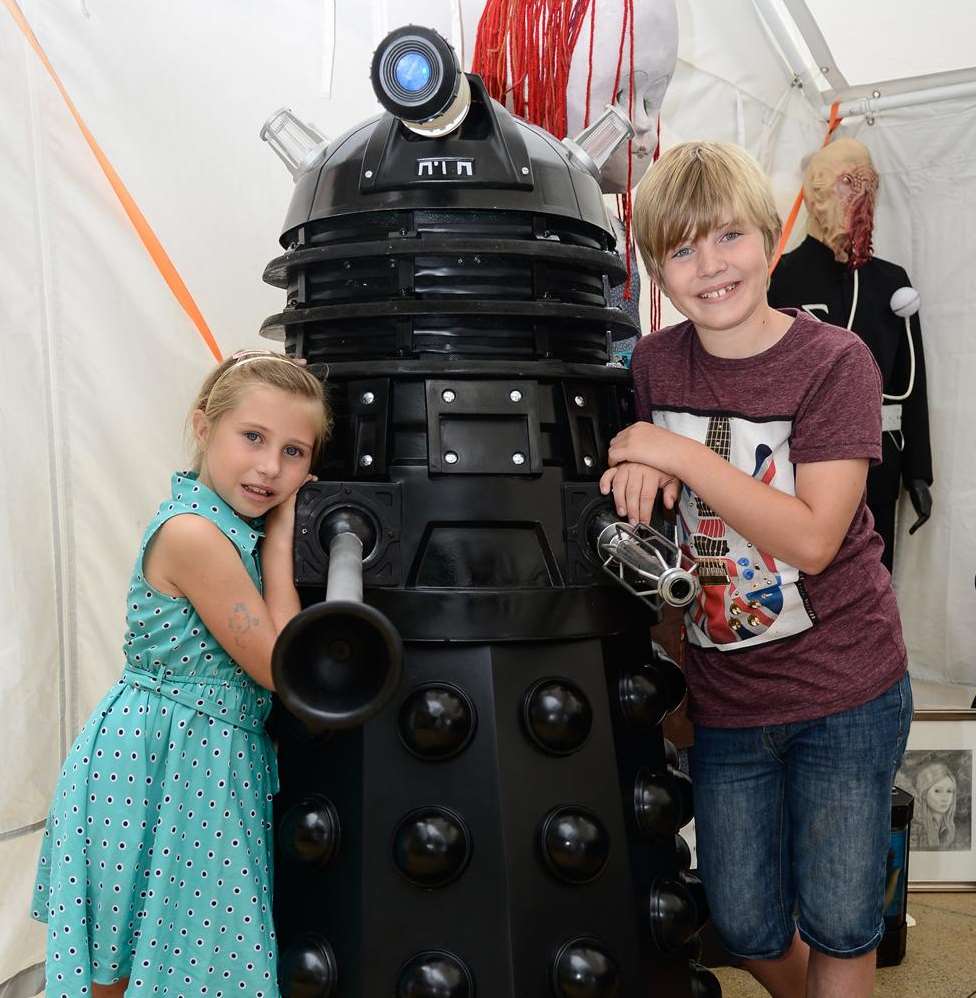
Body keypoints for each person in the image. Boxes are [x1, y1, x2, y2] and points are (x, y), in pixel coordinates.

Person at [602, 142, 912, 998]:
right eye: (683, 249)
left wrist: (676, 452)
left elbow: (815, 539)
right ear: (658, 268)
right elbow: (648, 486)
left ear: (767, 241)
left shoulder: (835, 362)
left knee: (844, 918)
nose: (710, 266)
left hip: (844, 686)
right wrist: (644, 469)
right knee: (741, 923)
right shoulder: (654, 365)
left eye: (728, 237)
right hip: (728, 693)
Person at [31, 350, 331, 997]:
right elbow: (283, 665)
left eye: (294, 452)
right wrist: (283, 540)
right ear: (203, 426)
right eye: (252, 437)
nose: (268, 467)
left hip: (205, 761)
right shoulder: (195, 534)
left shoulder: (228, 530)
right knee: (124, 963)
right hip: (156, 761)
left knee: (176, 961)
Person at [911, 760, 958, 850]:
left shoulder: (949, 827)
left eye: (949, 791)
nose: (945, 798)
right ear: (924, 794)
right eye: (937, 791)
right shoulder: (916, 828)